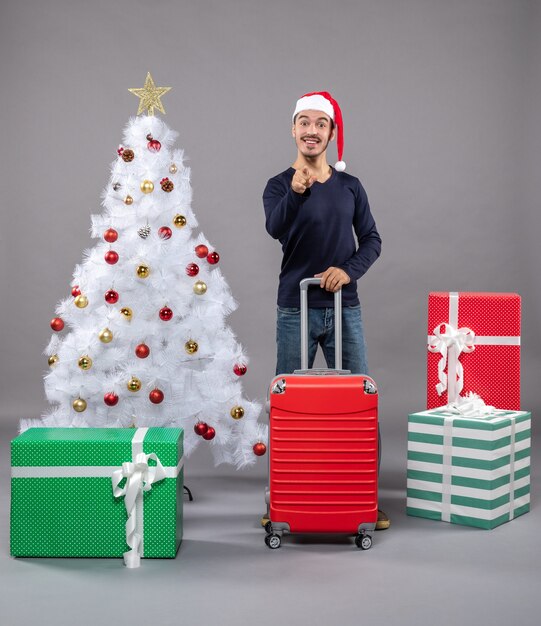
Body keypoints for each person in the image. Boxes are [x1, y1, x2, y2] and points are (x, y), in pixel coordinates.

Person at [262, 91, 389, 530]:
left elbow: (371, 239)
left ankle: (363, 499)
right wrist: (296, 192)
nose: (311, 130)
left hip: (343, 308)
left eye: (321, 123)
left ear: (332, 133)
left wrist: (348, 271)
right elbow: (274, 227)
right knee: (289, 404)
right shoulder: (280, 185)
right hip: (294, 308)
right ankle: (283, 496)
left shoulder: (350, 186)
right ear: (293, 129)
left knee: (358, 402)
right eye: (303, 122)